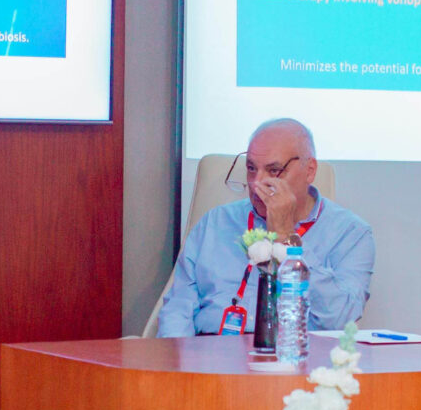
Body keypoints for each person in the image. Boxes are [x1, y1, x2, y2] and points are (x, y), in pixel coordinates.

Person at [153, 117, 375, 337]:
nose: (256, 183)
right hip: (210, 349)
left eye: (274, 170)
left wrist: (286, 237)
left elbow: (340, 318)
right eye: (251, 168)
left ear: (309, 170)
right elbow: (178, 308)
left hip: (292, 353)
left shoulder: (351, 233)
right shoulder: (215, 222)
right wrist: (179, 356)